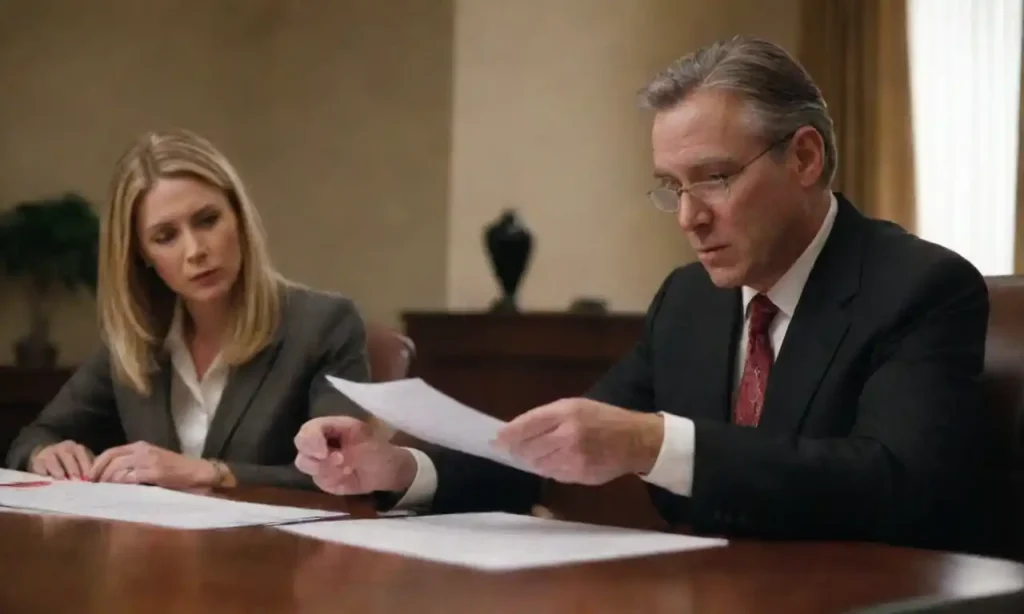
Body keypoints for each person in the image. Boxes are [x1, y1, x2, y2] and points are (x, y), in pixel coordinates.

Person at [293, 36, 990, 549]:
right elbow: (554, 449)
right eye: (672, 188)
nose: (689, 217)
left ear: (804, 158)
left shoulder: (919, 288)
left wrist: (657, 443)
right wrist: (403, 467)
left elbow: (893, 486)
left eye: (714, 178)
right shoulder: (689, 300)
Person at [6, 129, 373, 490]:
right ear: (142, 256)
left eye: (207, 220)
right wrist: (44, 453)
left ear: (239, 218)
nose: (195, 250)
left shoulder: (324, 325)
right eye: (165, 237)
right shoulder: (138, 341)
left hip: (278, 547)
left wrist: (211, 473)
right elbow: (34, 436)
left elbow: (343, 472)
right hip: (160, 547)